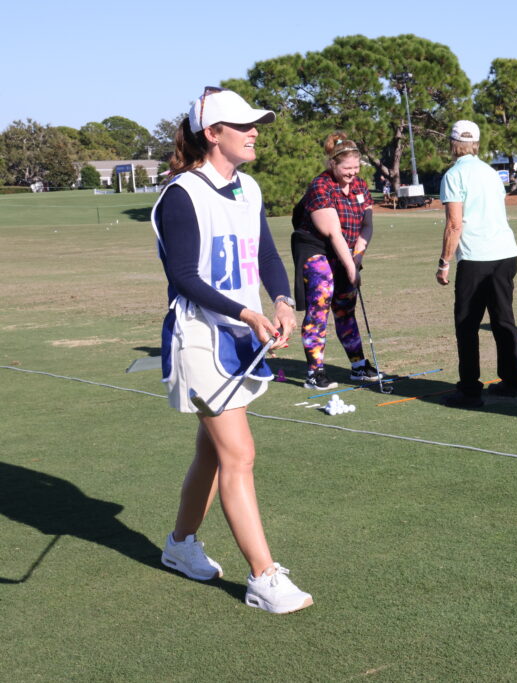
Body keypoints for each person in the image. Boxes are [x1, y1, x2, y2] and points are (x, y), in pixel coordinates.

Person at [151, 87, 313, 613]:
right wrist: (247, 312)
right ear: (212, 134)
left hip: (240, 338)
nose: (254, 132)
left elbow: (265, 253)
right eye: (243, 126)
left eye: (255, 125)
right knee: (239, 454)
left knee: (212, 452)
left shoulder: (249, 187)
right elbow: (183, 276)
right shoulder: (182, 195)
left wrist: (283, 301)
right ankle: (264, 577)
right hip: (200, 337)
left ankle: (179, 546)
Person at [435, 120, 517, 408]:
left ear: (452, 144)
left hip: (476, 257)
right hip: (506, 254)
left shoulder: (453, 175)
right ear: (476, 144)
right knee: (503, 320)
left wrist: (444, 262)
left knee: (467, 323)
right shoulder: (490, 172)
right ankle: (512, 382)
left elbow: (454, 224)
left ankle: (470, 390)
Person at [291, 133, 380, 390]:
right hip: (315, 247)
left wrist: (358, 257)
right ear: (333, 164)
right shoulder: (321, 186)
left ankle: (358, 366)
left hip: (347, 250)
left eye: (356, 168)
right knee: (321, 300)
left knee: (345, 307)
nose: (352, 173)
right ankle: (314, 371)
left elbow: (367, 225)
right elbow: (333, 232)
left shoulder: (361, 187)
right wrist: (352, 270)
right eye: (347, 168)